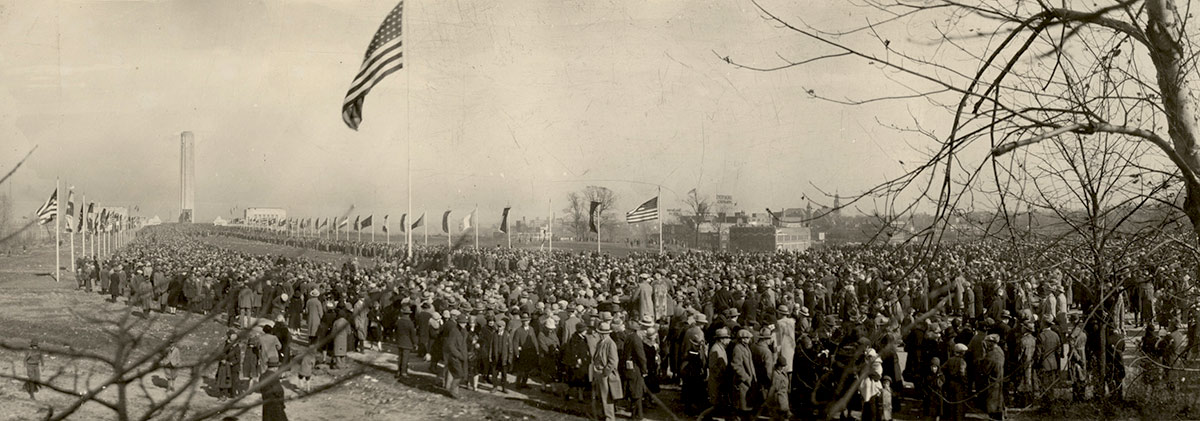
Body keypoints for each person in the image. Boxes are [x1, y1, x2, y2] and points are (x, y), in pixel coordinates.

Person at [591, 321, 622, 421]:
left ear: (606, 333)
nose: (600, 335)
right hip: (599, 373)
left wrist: (606, 372)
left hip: (605, 374)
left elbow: (613, 361)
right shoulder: (601, 342)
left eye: (602, 333)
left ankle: (609, 418)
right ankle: (604, 415)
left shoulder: (610, 343)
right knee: (600, 396)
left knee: (607, 397)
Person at [443, 314, 469, 398]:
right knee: (459, 375)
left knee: (460, 374)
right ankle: (452, 391)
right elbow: (451, 346)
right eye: (463, 323)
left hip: (461, 356)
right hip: (455, 357)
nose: (465, 324)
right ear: (458, 323)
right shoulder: (454, 331)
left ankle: (455, 392)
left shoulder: (463, 331)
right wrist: (459, 355)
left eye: (465, 323)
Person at [394, 306, 418, 379]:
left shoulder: (399, 321)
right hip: (407, 343)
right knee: (405, 358)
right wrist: (415, 343)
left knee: (400, 357)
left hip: (400, 341)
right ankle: (403, 372)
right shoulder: (410, 323)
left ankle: (398, 371)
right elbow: (413, 335)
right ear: (409, 314)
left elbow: (395, 330)